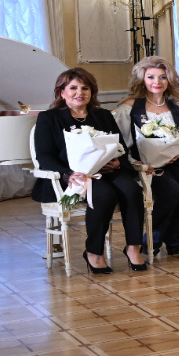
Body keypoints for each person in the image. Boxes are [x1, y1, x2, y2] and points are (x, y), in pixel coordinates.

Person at [34, 67, 143, 273]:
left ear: (92, 92)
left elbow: (120, 146)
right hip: (74, 176)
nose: (80, 92)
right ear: (62, 92)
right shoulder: (49, 118)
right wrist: (68, 174)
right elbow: (44, 156)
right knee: (103, 195)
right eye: (73, 88)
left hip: (108, 170)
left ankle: (133, 247)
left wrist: (119, 163)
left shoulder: (103, 115)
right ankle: (94, 251)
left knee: (132, 190)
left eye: (85, 88)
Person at [113, 57, 179, 258]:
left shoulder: (175, 107)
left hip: (174, 161)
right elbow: (119, 143)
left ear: (169, 80)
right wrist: (134, 162)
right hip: (144, 164)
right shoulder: (130, 107)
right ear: (142, 79)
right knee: (172, 190)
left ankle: (173, 238)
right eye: (151, 77)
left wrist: (176, 153)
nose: (157, 82)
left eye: (162, 77)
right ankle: (152, 239)